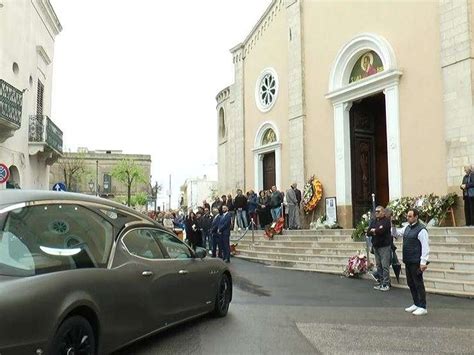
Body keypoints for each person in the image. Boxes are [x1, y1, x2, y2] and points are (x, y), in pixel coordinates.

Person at [395, 208, 430, 316]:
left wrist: (423, 262)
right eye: (407, 216)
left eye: (410, 216)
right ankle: (416, 303)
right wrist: (392, 225)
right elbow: (396, 233)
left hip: (416, 261)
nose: (408, 218)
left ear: (416, 217)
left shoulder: (422, 230)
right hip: (408, 260)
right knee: (411, 283)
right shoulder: (407, 227)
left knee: (418, 283)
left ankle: (423, 306)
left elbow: (425, 246)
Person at [366, 206, 392, 291]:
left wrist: (375, 231)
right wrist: (374, 231)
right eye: (375, 211)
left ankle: (386, 283)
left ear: (383, 212)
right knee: (379, 265)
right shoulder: (373, 221)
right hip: (376, 246)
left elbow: (382, 231)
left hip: (384, 246)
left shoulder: (386, 221)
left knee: (385, 265)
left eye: (378, 211)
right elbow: (368, 232)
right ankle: (381, 282)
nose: (376, 213)